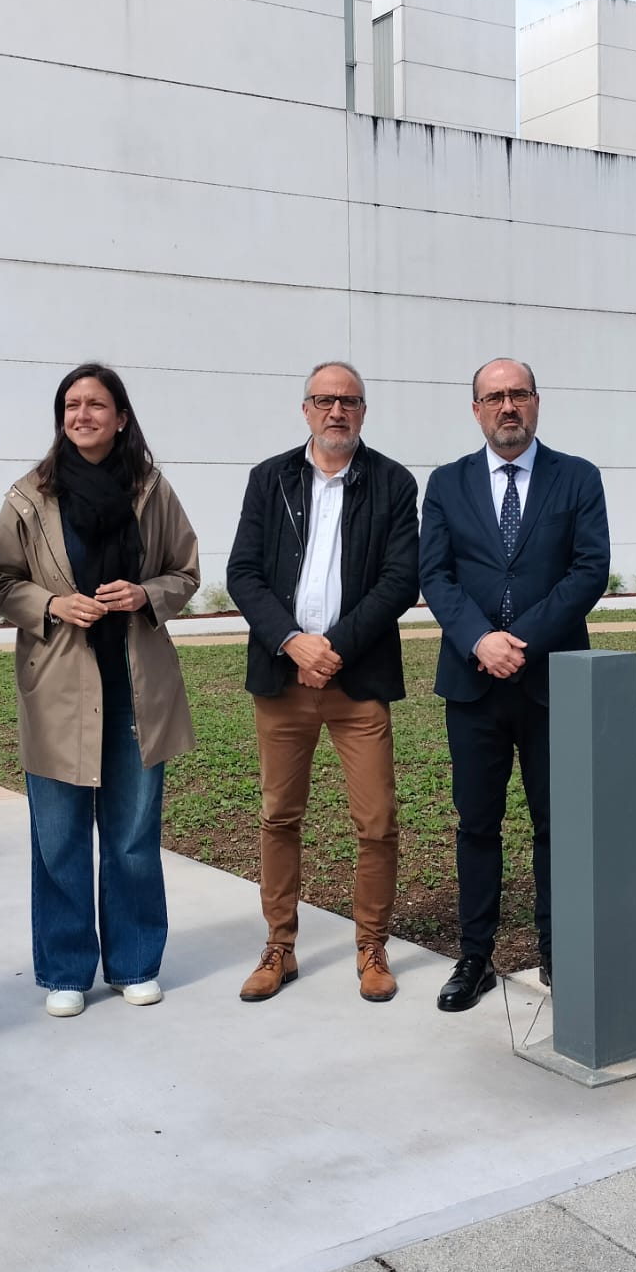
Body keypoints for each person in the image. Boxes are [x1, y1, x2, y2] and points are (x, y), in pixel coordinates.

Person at [0, 364, 199, 1018]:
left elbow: (184, 571)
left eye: (96, 404)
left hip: (137, 685)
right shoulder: (30, 495)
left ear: (121, 417)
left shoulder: (151, 490)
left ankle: (134, 962)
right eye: (71, 405)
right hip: (59, 690)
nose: (83, 414)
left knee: (132, 834)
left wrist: (145, 594)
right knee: (60, 836)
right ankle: (67, 970)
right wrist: (50, 604)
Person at [226, 363, 420, 1003]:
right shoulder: (269, 478)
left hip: (355, 680)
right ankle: (279, 946)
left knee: (377, 820)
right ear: (305, 409)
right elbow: (243, 573)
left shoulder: (392, 482)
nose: (337, 411)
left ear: (363, 411)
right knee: (279, 816)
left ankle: (372, 946)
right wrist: (292, 642)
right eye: (325, 400)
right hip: (283, 680)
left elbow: (399, 580)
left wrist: (332, 647)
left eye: (349, 401)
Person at [419, 358, 609, 1009]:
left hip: (552, 681)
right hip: (472, 686)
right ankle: (474, 959)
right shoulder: (446, 484)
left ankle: (560, 954)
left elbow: (588, 572)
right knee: (478, 824)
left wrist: (519, 643)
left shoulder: (577, 478)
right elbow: (436, 576)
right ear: (476, 409)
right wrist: (481, 641)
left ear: (537, 402)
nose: (508, 406)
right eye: (494, 396)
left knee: (560, 824)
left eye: (518, 394)